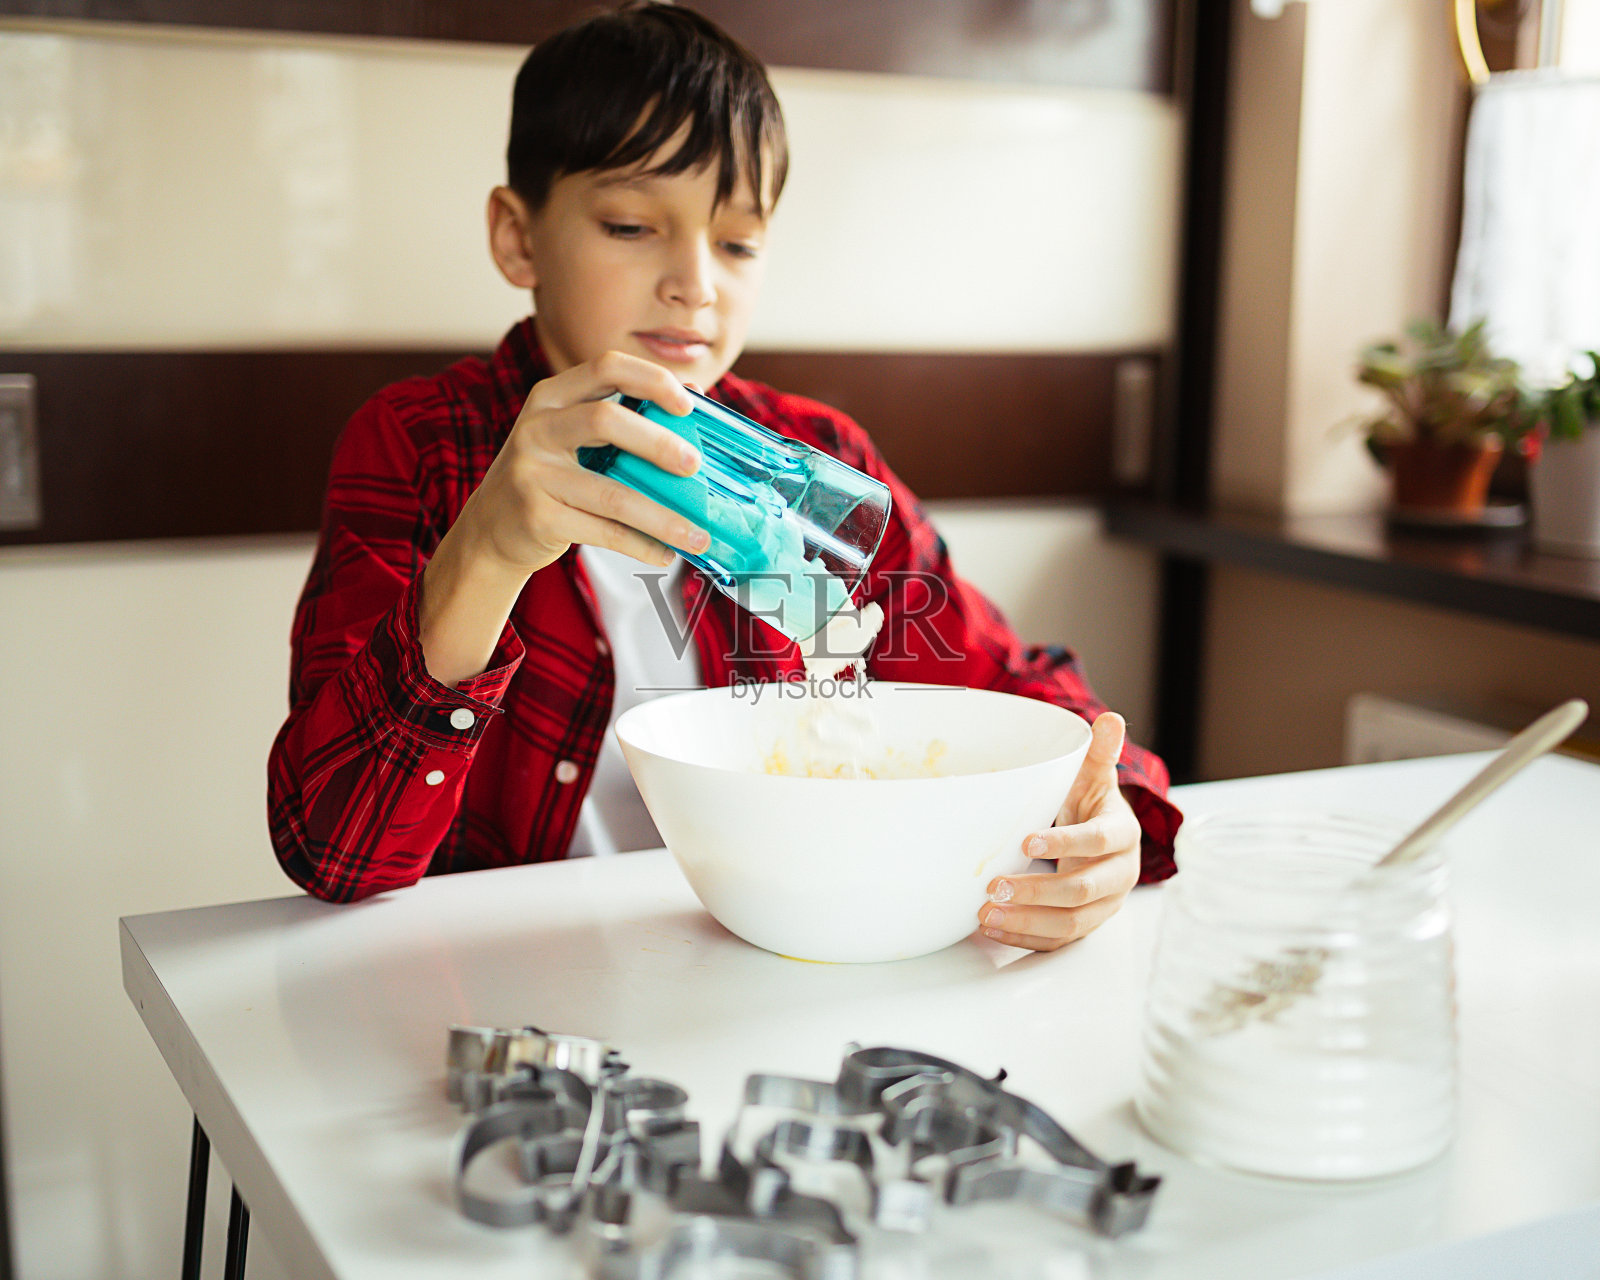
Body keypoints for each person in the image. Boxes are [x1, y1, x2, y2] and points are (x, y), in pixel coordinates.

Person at [267, 0, 1181, 950]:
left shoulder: (813, 462)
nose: (697, 282)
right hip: (492, 987)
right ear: (518, 237)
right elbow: (334, 854)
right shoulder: (422, 447)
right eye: (630, 224)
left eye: (738, 242)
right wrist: (490, 552)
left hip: (767, 963)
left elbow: (1004, 685)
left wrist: (1110, 815)